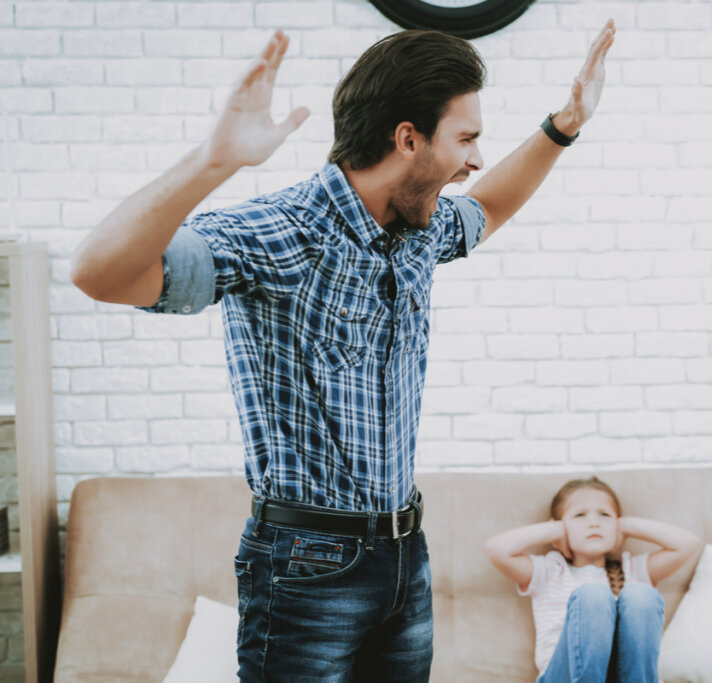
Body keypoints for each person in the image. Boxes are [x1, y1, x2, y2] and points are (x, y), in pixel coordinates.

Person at [69, 22, 615, 682]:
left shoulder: (419, 223)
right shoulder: (280, 233)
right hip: (306, 564)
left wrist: (563, 126)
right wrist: (214, 161)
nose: (474, 157)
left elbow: (490, 207)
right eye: (465, 138)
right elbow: (98, 273)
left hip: (403, 555)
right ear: (408, 138)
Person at [485, 476, 700, 683]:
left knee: (642, 594)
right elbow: (497, 549)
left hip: (626, 677)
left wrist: (625, 526)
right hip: (563, 678)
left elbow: (687, 544)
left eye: (604, 515)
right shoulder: (550, 572)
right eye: (580, 515)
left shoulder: (632, 570)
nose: (594, 523)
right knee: (594, 594)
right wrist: (557, 531)